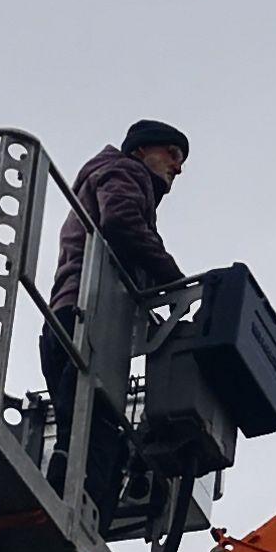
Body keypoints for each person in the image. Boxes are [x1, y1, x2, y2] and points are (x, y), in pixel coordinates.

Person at [42, 120, 190, 480]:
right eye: (171, 154)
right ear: (141, 150)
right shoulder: (125, 171)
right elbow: (121, 224)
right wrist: (176, 282)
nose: (178, 167)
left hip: (71, 317)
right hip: (88, 318)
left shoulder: (115, 177)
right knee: (93, 446)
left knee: (82, 437)